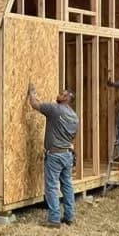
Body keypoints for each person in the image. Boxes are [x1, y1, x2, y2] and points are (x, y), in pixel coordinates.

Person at [28, 83, 80, 227]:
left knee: (51, 187)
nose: (59, 94)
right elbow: (72, 137)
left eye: (62, 93)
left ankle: (54, 219)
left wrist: (31, 92)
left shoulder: (55, 109)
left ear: (66, 98)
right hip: (67, 155)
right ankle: (69, 217)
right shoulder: (75, 117)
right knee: (67, 185)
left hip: (55, 156)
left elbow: (34, 104)